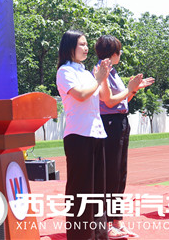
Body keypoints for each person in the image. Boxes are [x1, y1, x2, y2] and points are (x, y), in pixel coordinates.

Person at [95, 35, 154, 239]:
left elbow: (122, 100)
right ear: (112, 53)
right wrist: (129, 89)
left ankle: (117, 221)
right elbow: (109, 102)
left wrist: (134, 89)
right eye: (119, 51)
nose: (120, 54)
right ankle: (105, 224)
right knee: (110, 174)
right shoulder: (100, 71)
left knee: (120, 173)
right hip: (109, 123)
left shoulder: (113, 72)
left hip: (120, 121)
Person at [56, 30, 111, 240]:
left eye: (87, 44)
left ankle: (99, 235)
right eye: (81, 44)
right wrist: (98, 78)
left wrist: (103, 77)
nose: (86, 48)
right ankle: (81, 236)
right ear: (69, 47)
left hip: (97, 133)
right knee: (81, 191)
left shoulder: (87, 73)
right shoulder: (65, 71)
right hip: (78, 136)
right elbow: (80, 95)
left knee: (98, 191)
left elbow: (104, 97)